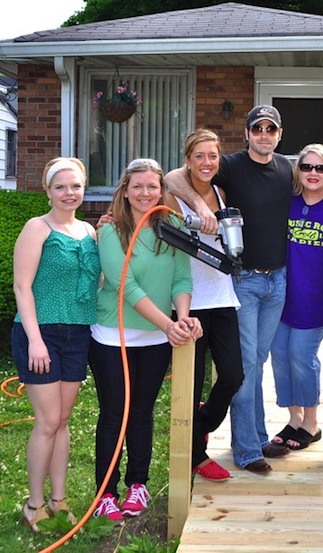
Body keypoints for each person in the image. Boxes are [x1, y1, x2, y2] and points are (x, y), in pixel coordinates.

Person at [166, 105, 292, 473]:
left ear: (279, 134)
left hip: (277, 279)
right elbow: (175, 175)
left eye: (271, 128)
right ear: (248, 133)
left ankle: (257, 434)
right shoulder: (231, 165)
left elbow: (314, 185)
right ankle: (247, 449)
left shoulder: (286, 168)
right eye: (258, 128)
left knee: (256, 362)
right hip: (245, 280)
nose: (264, 134)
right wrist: (195, 205)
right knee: (247, 364)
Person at [89, 158, 202, 523]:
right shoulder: (110, 231)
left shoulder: (172, 226)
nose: (145, 193)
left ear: (162, 190)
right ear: (125, 191)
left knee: (141, 413)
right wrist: (167, 324)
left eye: (152, 186)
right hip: (113, 337)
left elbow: (182, 278)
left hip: (156, 340)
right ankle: (105, 493)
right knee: (114, 414)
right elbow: (125, 285)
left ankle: (138, 484)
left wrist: (182, 319)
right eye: (137, 186)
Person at [12, 157, 100, 531]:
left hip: (78, 332)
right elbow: (22, 287)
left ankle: (58, 500)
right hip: (41, 333)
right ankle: (33, 505)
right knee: (47, 421)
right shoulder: (37, 228)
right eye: (61, 186)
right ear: (48, 190)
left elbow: (97, 281)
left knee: (63, 421)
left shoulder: (91, 232)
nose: (69, 193)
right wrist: (35, 340)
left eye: (76, 186)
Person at [164, 129, 244, 481]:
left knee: (232, 375)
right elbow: (168, 179)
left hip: (222, 297)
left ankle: (202, 422)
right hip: (187, 301)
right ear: (188, 160)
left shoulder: (221, 192)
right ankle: (196, 455)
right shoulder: (173, 194)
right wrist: (196, 206)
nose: (207, 162)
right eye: (199, 156)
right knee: (191, 381)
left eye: (213, 156)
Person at [269, 144, 323, 450]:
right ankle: (294, 418)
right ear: (297, 172)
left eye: (321, 168)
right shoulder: (286, 201)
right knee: (280, 357)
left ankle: (312, 423)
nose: (313, 173)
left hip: (315, 294)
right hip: (280, 292)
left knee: (302, 357)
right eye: (307, 167)